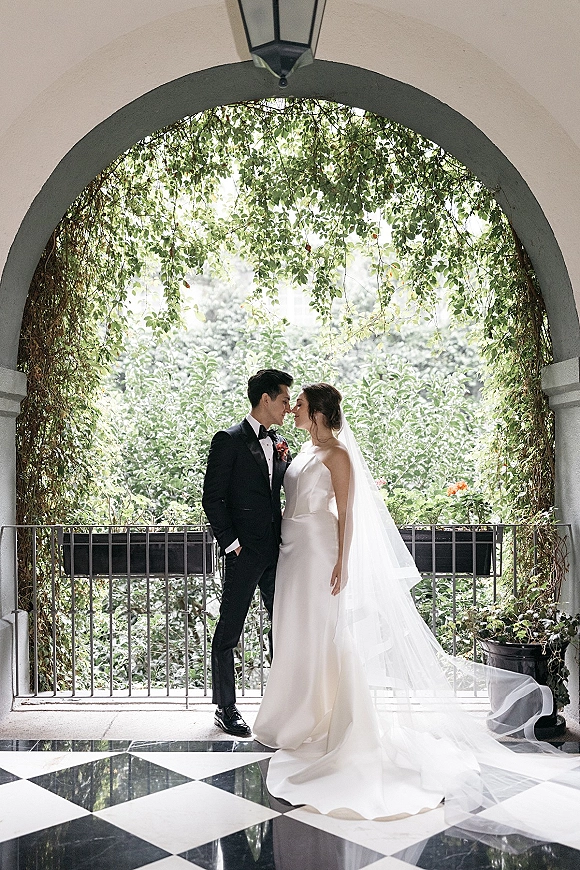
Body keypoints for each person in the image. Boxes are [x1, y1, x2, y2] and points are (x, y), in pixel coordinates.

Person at [253, 383, 572, 833]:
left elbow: (347, 512)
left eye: (301, 404)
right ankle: (292, 715)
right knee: (293, 632)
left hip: (321, 551)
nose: (295, 408)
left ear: (320, 411)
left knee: (322, 633)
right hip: (292, 551)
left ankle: (324, 718)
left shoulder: (339, 456)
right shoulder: (301, 450)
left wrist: (343, 561)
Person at [203, 368, 293, 737]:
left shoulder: (278, 442)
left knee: (284, 627)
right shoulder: (228, 440)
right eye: (285, 400)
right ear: (266, 399)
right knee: (229, 629)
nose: (288, 406)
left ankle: (284, 702)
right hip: (243, 554)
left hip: (277, 552)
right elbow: (213, 497)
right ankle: (226, 708)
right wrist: (232, 543)